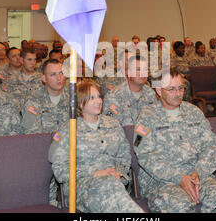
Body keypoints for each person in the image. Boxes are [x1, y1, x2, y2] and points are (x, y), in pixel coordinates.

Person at [134, 68, 216, 213]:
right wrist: (179, 177)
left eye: (181, 88)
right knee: (180, 206)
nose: (179, 93)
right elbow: (144, 155)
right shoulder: (146, 117)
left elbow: (210, 146)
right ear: (159, 91)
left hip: (198, 175)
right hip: (162, 182)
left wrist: (197, 173)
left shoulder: (194, 112)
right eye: (172, 89)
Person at [48, 80, 144, 213]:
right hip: (82, 187)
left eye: (99, 96)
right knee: (111, 192)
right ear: (81, 103)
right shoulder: (69, 129)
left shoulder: (113, 124)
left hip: (114, 184)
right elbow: (60, 169)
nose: (98, 101)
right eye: (92, 98)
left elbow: (125, 156)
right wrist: (95, 173)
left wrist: (118, 173)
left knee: (112, 193)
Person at [103, 55, 156, 126]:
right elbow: (109, 125)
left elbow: (155, 120)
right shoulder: (114, 96)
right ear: (128, 72)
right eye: (138, 69)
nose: (143, 73)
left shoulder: (150, 93)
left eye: (145, 69)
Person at [21, 59, 69, 134]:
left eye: (61, 73)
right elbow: (31, 134)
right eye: (53, 74)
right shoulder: (33, 101)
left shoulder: (73, 97)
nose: (59, 78)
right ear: (44, 78)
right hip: (44, 144)